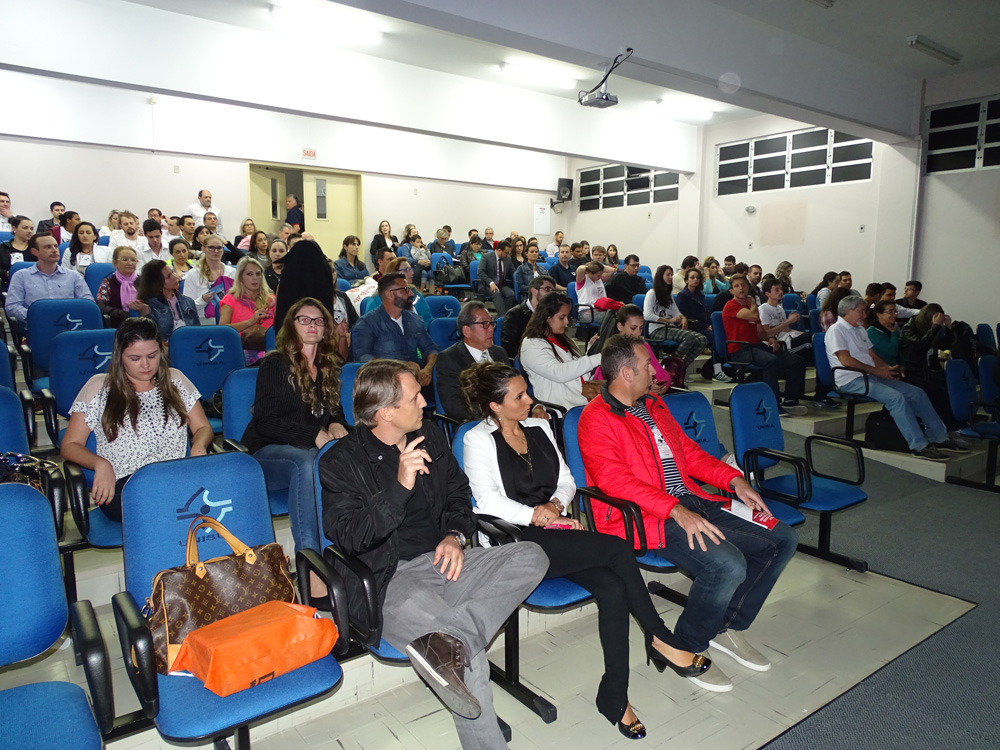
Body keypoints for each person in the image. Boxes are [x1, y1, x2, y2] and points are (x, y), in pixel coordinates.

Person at [460, 362, 708, 738]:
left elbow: (567, 479)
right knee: (617, 548)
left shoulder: (539, 427)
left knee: (612, 588)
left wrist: (556, 508)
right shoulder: (477, 439)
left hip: (553, 534)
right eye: (519, 396)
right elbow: (487, 502)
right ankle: (659, 636)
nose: (529, 399)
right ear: (495, 406)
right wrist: (539, 515)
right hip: (513, 542)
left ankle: (615, 698)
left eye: (527, 391)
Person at [320, 359, 547, 749]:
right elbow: (352, 538)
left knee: (532, 556)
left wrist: (454, 536)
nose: (425, 402)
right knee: (467, 660)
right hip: (390, 580)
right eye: (415, 398)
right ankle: (462, 669)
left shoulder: (431, 437)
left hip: (448, 561)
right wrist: (399, 487)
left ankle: (449, 640)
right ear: (386, 412)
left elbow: (459, 495)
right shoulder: (340, 461)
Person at [580, 334, 798, 692]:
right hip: (643, 517)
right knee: (727, 564)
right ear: (626, 373)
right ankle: (687, 644)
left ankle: (726, 626)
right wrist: (674, 509)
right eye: (647, 365)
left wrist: (733, 480)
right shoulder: (597, 418)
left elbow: (690, 454)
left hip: (692, 500)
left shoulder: (654, 405)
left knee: (781, 539)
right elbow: (615, 481)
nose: (655, 371)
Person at [60, 318, 212, 521]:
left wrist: (199, 445)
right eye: (135, 358)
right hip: (125, 485)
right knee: (177, 505)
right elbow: (70, 445)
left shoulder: (175, 380)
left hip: (174, 478)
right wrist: (100, 464)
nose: (146, 365)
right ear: (120, 356)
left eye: (152, 355)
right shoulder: (99, 387)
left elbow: (202, 427)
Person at [242, 298, 348, 556]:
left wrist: (336, 423)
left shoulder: (327, 366)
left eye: (318, 320)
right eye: (304, 320)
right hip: (266, 454)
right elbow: (265, 422)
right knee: (307, 461)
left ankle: (346, 546)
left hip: (308, 451)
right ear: (292, 326)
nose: (312, 324)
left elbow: (335, 411)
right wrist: (314, 433)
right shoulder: (275, 364)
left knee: (352, 448)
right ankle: (310, 558)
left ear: (325, 330)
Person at [825, 295, 967, 460]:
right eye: (861, 311)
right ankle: (919, 446)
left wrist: (886, 369)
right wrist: (878, 371)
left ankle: (940, 437)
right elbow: (846, 360)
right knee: (896, 398)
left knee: (917, 393)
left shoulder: (859, 329)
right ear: (848, 311)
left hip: (870, 375)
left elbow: (872, 354)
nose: (864, 315)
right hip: (850, 380)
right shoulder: (836, 330)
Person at [722, 274, 808, 416]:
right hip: (740, 349)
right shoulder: (731, 306)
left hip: (756, 346)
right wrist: (753, 302)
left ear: (748, 287)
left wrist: (770, 338)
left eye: (743, 285)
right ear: (731, 291)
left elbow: (760, 332)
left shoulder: (751, 307)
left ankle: (791, 400)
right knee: (770, 361)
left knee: (796, 361)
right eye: (736, 286)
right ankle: (772, 403)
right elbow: (753, 316)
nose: (741, 288)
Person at [351, 273, 439, 386]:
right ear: (390, 295)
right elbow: (363, 358)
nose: (411, 294)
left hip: (415, 381)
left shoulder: (415, 320)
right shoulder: (367, 323)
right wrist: (400, 366)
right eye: (405, 290)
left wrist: (428, 369)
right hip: (384, 384)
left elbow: (430, 348)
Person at [519, 291, 602, 409]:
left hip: (581, 403)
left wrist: (590, 349)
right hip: (561, 410)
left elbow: (576, 370)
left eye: (567, 317)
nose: (567, 322)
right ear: (547, 317)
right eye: (562, 317)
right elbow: (560, 373)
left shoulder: (564, 339)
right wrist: (598, 358)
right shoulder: (530, 345)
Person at [435, 302, 510, 421]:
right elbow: (454, 406)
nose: (491, 329)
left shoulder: (499, 353)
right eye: (485, 324)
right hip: (479, 422)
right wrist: (494, 412)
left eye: (491, 323)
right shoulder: (449, 359)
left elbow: (516, 387)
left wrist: (536, 406)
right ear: (467, 331)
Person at [899, 303, 966, 435]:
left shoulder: (932, 329)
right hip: (912, 371)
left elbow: (945, 346)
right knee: (939, 391)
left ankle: (957, 424)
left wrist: (949, 328)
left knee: (952, 386)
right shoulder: (909, 328)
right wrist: (935, 327)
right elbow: (921, 345)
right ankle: (949, 428)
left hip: (927, 370)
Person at [5, 232, 94, 323]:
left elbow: (88, 303)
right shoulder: (21, 276)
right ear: (35, 252)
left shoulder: (74, 276)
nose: (54, 250)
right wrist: (37, 316)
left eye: (55, 246)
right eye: (48, 247)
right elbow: (12, 306)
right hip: (36, 324)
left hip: (69, 323)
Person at [593, 305, 672, 395]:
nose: (638, 333)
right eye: (633, 328)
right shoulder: (612, 350)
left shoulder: (643, 347)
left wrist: (661, 387)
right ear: (620, 326)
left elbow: (664, 376)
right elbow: (601, 388)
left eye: (641, 328)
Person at [643, 265, 708, 367]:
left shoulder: (668, 294)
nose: (671, 277)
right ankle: (671, 366)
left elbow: (676, 312)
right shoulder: (652, 293)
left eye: (671, 275)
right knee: (689, 337)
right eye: (668, 275)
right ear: (661, 276)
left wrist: (683, 318)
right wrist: (669, 321)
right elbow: (647, 315)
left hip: (669, 328)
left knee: (702, 339)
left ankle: (680, 367)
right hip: (657, 329)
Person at [219, 257, 275, 365]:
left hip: (269, 353)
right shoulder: (230, 299)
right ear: (240, 278)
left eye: (258, 274)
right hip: (239, 352)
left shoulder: (271, 300)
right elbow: (222, 330)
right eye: (249, 274)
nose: (255, 278)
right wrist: (250, 322)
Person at [136, 260, 200, 341]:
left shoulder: (188, 302)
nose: (175, 277)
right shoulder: (149, 306)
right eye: (168, 276)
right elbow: (152, 336)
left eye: (172, 273)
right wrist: (146, 312)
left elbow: (197, 331)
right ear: (157, 282)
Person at [366, 257, 434, 328]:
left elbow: (427, 319)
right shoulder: (378, 299)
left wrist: (419, 332)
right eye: (406, 270)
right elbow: (370, 325)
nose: (412, 273)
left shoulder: (415, 294)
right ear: (394, 273)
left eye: (411, 269)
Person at [183, 235, 237, 324]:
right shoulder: (194, 273)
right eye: (211, 247)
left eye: (219, 248)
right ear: (203, 249)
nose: (216, 251)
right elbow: (187, 307)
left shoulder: (232, 272)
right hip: (203, 321)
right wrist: (202, 301)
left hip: (229, 319)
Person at [500, 275, 555, 359]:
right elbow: (509, 348)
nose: (551, 294)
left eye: (552, 291)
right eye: (547, 289)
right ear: (534, 291)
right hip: (527, 360)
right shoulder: (514, 315)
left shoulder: (551, 315)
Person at [758, 278, 811, 355]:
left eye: (781, 289)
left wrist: (802, 334)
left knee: (812, 337)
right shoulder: (763, 309)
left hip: (787, 336)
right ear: (767, 294)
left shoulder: (780, 308)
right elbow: (767, 333)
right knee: (808, 339)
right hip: (781, 342)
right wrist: (788, 321)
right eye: (777, 290)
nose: (781, 292)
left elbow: (787, 330)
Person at [96, 246, 146, 327]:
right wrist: (123, 314)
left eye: (133, 260)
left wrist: (143, 308)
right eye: (124, 259)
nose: (130, 263)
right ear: (115, 263)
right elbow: (101, 306)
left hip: (144, 324)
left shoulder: (144, 282)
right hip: (118, 325)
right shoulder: (108, 282)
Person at [477, 238, 517, 316]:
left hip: (501, 284)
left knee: (511, 294)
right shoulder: (486, 257)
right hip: (487, 285)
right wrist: (491, 283)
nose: (507, 255)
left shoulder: (507, 259)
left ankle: (501, 317)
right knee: (497, 294)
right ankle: (503, 318)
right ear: (499, 250)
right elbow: (480, 272)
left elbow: (513, 272)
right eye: (506, 253)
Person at [867, 299, 902, 366]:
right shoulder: (872, 332)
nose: (894, 315)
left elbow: (900, 349)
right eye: (890, 312)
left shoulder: (893, 327)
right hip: (882, 367)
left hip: (896, 366)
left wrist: (903, 365)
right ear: (879, 315)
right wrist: (893, 332)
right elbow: (893, 351)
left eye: (895, 311)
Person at [0, 216, 34, 283]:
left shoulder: (36, 248)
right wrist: (6, 273)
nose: (29, 231)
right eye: (25, 228)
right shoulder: (3, 248)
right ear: (14, 228)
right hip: (8, 282)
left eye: (31, 229)